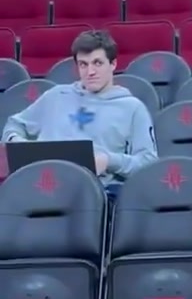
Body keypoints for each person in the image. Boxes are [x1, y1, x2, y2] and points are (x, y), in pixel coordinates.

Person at [2, 29, 157, 198]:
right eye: (83, 64)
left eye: (97, 63)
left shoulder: (132, 108)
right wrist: (16, 142)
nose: (90, 72)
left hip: (91, 194)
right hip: (38, 186)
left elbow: (148, 163)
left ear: (113, 64)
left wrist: (109, 160)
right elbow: (14, 125)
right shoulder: (55, 96)